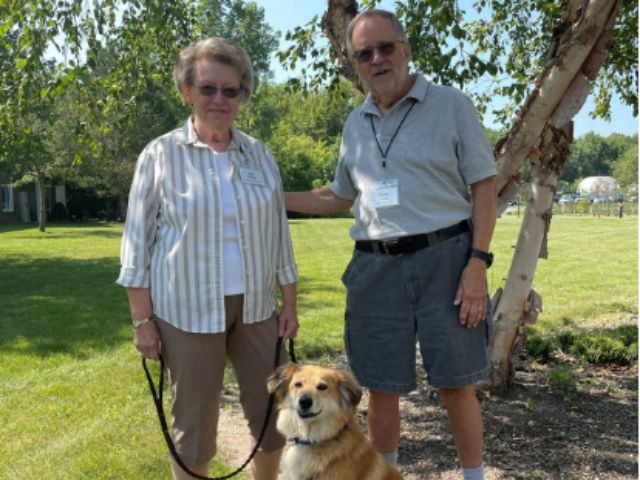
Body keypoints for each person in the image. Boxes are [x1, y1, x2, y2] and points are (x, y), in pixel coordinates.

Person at [285, 9, 496, 480]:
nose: (377, 59)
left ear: (406, 49)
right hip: (375, 268)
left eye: (386, 47)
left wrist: (477, 262)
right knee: (381, 387)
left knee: (455, 384)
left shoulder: (451, 105)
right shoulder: (355, 123)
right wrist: (273, 198)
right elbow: (339, 196)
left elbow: (484, 186)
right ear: (354, 63)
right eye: (364, 53)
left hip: (447, 260)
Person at [116, 37, 298, 480]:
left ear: (242, 95)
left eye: (230, 90)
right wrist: (143, 321)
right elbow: (136, 243)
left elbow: (279, 232)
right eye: (207, 88)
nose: (219, 99)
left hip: (256, 308)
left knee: (272, 418)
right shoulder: (160, 155)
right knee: (194, 426)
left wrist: (289, 303)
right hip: (187, 310)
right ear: (187, 91)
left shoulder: (260, 153)